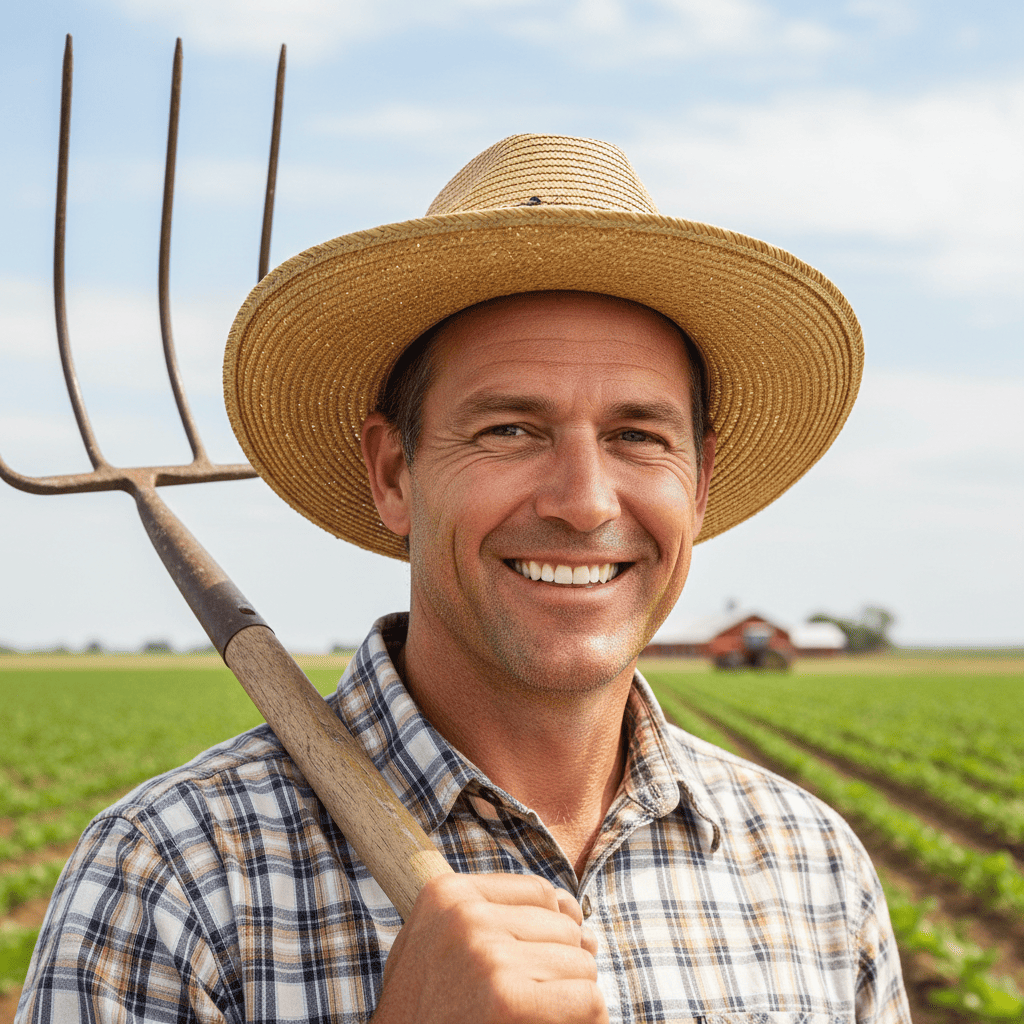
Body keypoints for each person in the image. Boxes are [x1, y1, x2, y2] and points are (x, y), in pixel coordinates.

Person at [18, 134, 910, 1023]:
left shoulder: (811, 868)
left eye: (638, 434)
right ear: (394, 474)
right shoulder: (169, 879)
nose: (584, 501)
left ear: (701, 482)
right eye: (511, 429)